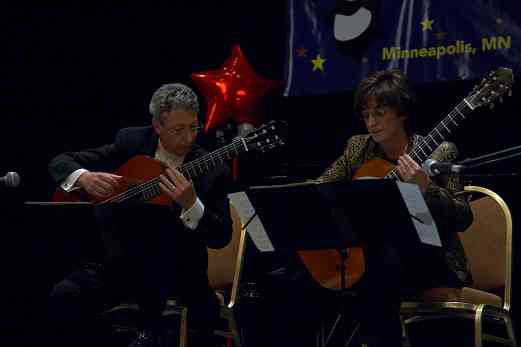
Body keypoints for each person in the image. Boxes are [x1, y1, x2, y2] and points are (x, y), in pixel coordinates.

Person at [260, 69, 474, 347]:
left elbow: (464, 216)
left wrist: (426, 189)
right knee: (289, 278)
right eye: (366, 115)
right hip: (374, 258)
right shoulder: (358, 149)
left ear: (402, 112)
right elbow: (321, 187)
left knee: (379, 271)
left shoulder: (440, 152)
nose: (371, 123)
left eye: (379, 113)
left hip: (432, 260)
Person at [47, 83, 234, 347]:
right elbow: (61, 161)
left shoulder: (213, 169)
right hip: (122, 268)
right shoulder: (131, 142)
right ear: (157, 126)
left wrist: (191, 204)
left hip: (180, 276)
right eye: (178, 129)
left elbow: (221, 235)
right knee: (65, 295)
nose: (188, 138)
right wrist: (85, 177)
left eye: (194, 127)